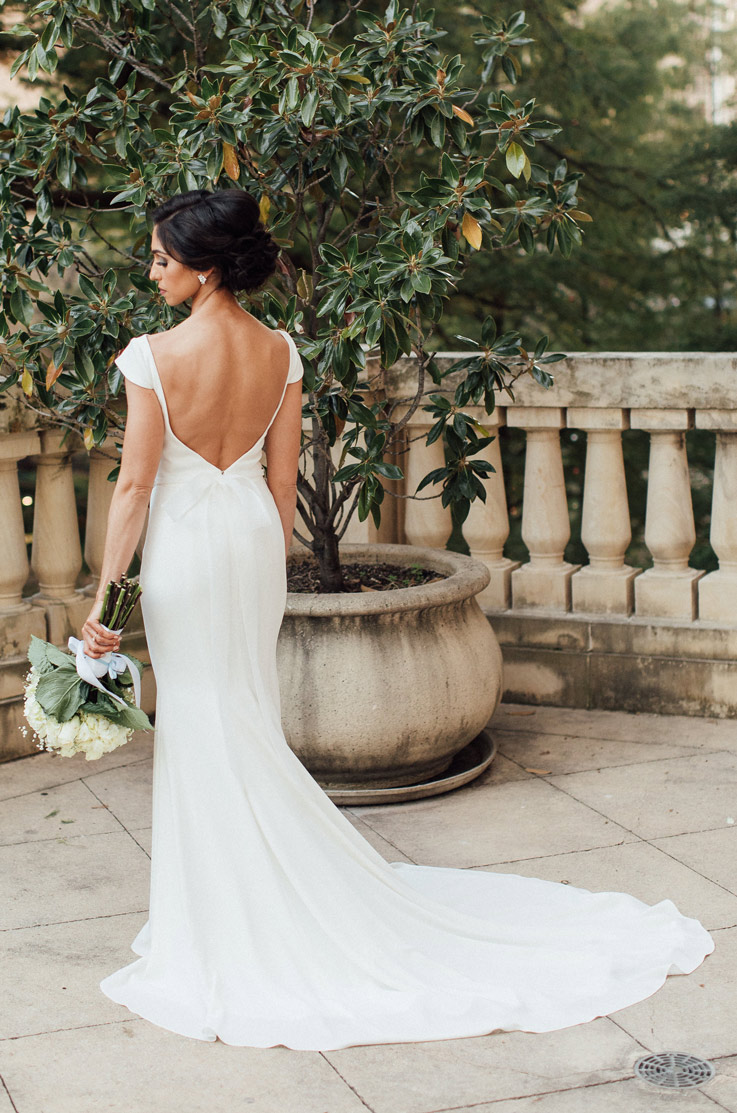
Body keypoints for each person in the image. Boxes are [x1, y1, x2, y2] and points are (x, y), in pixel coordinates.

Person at [84, 189, 713, 1051]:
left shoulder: (151, 358)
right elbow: (277, 490)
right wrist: (262, 573)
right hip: (249, 550)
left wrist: (105, 598)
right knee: (242, 711)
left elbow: (132, 489)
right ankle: (242, 900)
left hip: (187, 558)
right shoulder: (281, 351)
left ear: (201, 266)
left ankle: (222, 921)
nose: (151, 271)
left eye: (159, 258)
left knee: (200, 719)